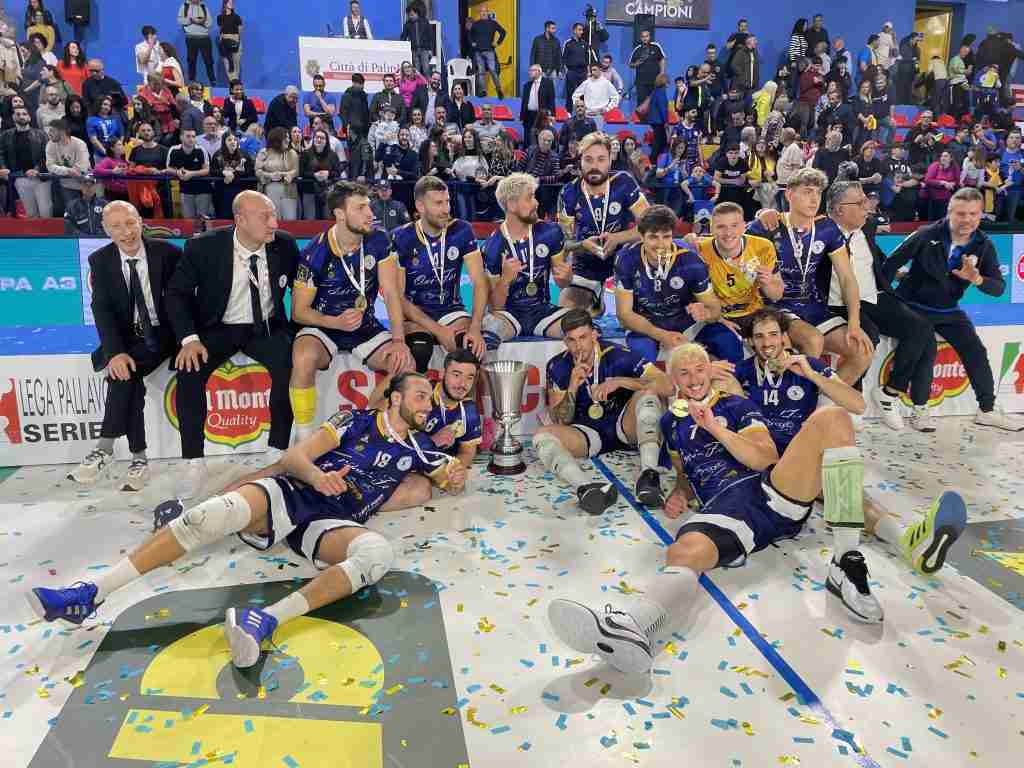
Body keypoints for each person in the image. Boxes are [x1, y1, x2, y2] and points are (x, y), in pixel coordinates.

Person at [28, 372, 466, 675]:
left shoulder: (421, 450)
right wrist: (319, 477)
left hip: (332, 521)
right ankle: (89, 594)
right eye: (420, 395)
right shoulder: (354, 421)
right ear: (395, 398)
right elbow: (294, 457)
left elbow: (449, 478)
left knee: (377, 554)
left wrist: (457, 473)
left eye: (429, 398)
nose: (429, 404)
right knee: (209, 517)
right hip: (297, 491)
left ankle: (264, 621)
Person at [547, 339, 923, 675]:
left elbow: (764, 458)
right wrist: (680, 489)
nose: (693, 378)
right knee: (682, 552)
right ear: (674, 380)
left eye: (699, 369)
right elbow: (685, 468)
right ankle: (632, 627)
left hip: (768, 490)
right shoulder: (671, 421)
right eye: (684, 373)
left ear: (710, 371)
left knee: (833, 418)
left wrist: (716, 428)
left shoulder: (736, 405)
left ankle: (846, 562)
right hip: (723, 508)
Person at [167, 191, 299, 497]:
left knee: (289, 364)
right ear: (240, 219)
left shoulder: (284, 245)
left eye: (274, 215)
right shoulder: (203, 247)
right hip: (217, 328)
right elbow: (176, 294)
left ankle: (277, 450)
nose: (274, 223)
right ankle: (193, 461)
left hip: (266, 327)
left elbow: (302, 288)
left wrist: (305, 331)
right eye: (265, 217)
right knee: (189, 370)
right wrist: (189, 339)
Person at [882, 187, 1022, 431]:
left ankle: (987, 410)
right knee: (926, 348)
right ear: (949, 213)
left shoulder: (983, 244)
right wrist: (889, 300)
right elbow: (888, 265)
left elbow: (998, 288)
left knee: (976, 351)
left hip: (948, 309)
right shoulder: (926, 234)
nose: (967, 220)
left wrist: (977, 279)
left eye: (973, 214)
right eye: (961, 214)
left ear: (981, 214)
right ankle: (919, 409)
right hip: (913, 306)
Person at [64, 201, 181, 489]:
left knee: (125, 374)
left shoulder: (167, 253)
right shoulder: (100, 260)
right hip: (128, 337)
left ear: (140, 222)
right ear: (106, 230)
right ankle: (138, 459)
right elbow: (101, 309)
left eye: (130, 223)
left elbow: (183, 300)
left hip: (161, 334)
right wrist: (115, 352)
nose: (126, 232)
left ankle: (105, 449)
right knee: (127, 379)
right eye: (116, 226)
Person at [822, 181, 938, 431]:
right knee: (866, 337)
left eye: (866, 200)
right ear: (840, 209)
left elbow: (872, 253)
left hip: (874, 295)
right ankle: (852, 399)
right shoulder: (820, 232)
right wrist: (767, 213)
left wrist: (894, 274)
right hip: (838, 303)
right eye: (860, 202)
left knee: (921, 328)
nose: (868, 206)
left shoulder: (868, 226)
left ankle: (890, 393)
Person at [747, 168, 874, 389]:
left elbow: (847, 278)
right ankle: (796, 401)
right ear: (789, 195)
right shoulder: (767, 226)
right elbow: (732, 239)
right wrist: (761, 212)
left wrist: (854, 322)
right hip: (775, 305)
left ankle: (821, 402)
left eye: (817, 192)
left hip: (812, 305)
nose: (814, 199)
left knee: (862, 351)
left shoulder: (826, 228)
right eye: (807, 192)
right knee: (813, 340)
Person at [535, 308, 670, 514]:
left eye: (583, 337)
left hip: (624, 426)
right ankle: (586, 489)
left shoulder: (619, 356)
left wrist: (621, 381)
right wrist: (572, 387)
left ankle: (649, 476)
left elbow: (667, 386)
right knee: (542, 436)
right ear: (565, 341)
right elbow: (561, 420)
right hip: (587, 433)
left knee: (648, 394)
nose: (578, 346)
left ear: (594, 334)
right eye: (572, 340)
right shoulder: (557, 365)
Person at [391, 175, 489, 375]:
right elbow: (398, 297)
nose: (446, 209)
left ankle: (459, 396)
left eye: (447, 202)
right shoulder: (401, 237)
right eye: (438, 203)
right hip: (415, 314)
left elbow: (480, 282)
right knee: (419, 350)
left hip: (451, 310)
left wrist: (475, 326)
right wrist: (439, 331)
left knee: (470, 349)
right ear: (420, 206)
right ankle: (420, 395)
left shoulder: (462, 230)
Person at [615, 204, 735, 367]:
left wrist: (706, 313)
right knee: (639, 361)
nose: (661, 244)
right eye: (653, 237)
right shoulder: (626, 259)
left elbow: (714, 307)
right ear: (641, 236)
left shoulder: (691, 261)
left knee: (730, 344)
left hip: (685, 320)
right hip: (646, 322)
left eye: (666, 237)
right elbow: (624, 315)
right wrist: (662, 335)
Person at [558, 132, 648, 314]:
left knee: (637, 314)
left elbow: (651, 226)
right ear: (580, 161)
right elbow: (563, 242)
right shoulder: (569, 192)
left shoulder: (624, 182)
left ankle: (607, 295)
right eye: (588, 160)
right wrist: (582, 245)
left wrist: (617, 238)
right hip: (585, 266)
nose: (594, 166)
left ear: (610, 160)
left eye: (601, 159)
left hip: (623, 261)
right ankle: (594, 295)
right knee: (567, 314)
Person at [481, 172, 574, 345]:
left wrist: (567, 277)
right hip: (508, 315)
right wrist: (505, 281)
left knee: (583, 326)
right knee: (488, 334)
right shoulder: (492, 247)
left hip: (543, 311)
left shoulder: (551, 232)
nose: (536, 203)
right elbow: (495, 307)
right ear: (511, 205)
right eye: (530, 198)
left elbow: (562, 283)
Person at [691, 201, 782, 338]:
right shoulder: (699, 250)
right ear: (711, 229)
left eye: (734, 225)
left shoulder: (763, 247)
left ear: (744, 226)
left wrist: (767, 283)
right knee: (728, 345)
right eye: (721, 226)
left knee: (778, 341)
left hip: (755, 313)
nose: (728, 233)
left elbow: (776, 295)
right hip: (718, 317)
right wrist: (717, 318)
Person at [0, 105, 50, 217]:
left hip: (40, 177)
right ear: (13, 117)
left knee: (46, 212)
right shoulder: (5, 135)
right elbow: (1, 153)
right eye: (18, 114)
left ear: (29, 117)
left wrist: (37, 169)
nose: (21, 116)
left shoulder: (41, 134)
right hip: (20, 178)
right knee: (31, 214)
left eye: (24, 114)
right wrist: (3, 168)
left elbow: (48, 155)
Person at [167, 127, 213, 218]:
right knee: (188, 219)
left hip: (203, 190)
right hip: (185, 190)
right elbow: (168, 168)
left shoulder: (201, 150)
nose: (191, 139)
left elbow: (207, 170)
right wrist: (177, 172)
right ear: (181, 137)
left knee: (203, 219)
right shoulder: (174, 150)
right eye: (188, 136)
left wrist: (190, 174)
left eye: (193, 136)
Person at [45, 118, 91, 207]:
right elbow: (50, 166)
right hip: (67, 186)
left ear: (62, 132)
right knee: (72, 212)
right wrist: (68, 171)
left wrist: (65, 170)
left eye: (52, 130)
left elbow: (83, 167)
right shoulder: (50, 145)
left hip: (86, 184)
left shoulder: (79, 143)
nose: (49, 133)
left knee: (89, 211)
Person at [255, 127, 298, 221]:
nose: (288, 140)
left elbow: (296, 170)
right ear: (277, 138)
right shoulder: (264, 152)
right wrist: (270, 175)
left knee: (290, 220)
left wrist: (285, 174)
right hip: (269, 190)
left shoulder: (291, 153)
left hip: (289, 191)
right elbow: (257, 171)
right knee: (272, 219)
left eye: (288, 137)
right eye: (286, 137)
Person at [211, 129, 254, 218]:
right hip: (222, 193)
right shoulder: (217, 154)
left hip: (241, 191)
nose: (233, 142)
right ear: (224, 142)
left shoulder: (244, 154)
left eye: (235, 139)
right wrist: (223, 172)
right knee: (224, 217)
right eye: (229, 140)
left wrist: (233, 174)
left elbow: (250, 171)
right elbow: (212, 171)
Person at [467, 5, 506, 99]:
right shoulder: (476, 24)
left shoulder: (493, 23)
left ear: (488, 12)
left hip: (489, 51)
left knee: (493, 71)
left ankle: (499, 90)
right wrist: (472, 42)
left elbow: (503, 32)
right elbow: (469, 34)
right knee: (481, 72)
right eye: (481, 11)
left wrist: (497, 43)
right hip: (478, 52)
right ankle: (483, 91)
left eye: (485, 11)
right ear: (479, 13)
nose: (483, 13)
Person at [178, 0, 216, 86]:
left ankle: (212, 81)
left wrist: (202, 21)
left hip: (204, 37)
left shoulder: (204, 7)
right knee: (191, 60)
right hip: (191, 37)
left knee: (209, 61)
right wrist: (191, 20)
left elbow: (210, 23)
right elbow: (180, 20)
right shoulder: (185, 6)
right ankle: (191, 81)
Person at [628, 28, 665, 107]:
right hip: (641, 82)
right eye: (643, 36)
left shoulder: (656, 46)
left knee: (655, 102)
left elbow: (662, 59)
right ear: (641, 38)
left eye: (646, 36)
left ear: (650, 37)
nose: (645, 38)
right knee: (641, 103)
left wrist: (662, 73)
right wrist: (637, 63)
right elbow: (630, 64)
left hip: (655, 81)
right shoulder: (637, 49)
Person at [520, 64, 555, 144]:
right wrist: (522, 117)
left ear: (538, 71)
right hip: (528, 116)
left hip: (542, 115)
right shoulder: (527, 85)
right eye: (529, 71)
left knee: (541, 138)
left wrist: (552, 115)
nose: (529, 72)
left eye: (531, 70)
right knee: (528, 138)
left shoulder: (548, 83)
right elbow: (524, 102)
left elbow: (551, 100)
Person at [401, 4, 434, 77]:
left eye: (412, 15)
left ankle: (428, 83)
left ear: (417, 13)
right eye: (409, 15)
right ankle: (418, 83)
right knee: (416, 70)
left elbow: (430, 36)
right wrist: (402, 46)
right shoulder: (408, 24)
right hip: (414, 50)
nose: (410, 16)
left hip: (424, 49)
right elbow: (403, 36)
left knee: (426, 69)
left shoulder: (424, 22)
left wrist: (430, 50)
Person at [562, 23, 589, 111]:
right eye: (579, 30)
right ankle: (569, 113)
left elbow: (587, 59)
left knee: (583, 95)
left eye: (582, 30)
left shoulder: (585, 44)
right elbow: (563, 59)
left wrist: (588, 72)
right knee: (570, 94)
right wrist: (567, 72)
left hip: (583, 73)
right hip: (572, 72)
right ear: (574, 31)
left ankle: (582, 114)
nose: (581, 32)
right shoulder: (568, 43)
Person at [217, 0, 243, 81]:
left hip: (235, 40)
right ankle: (232, 82)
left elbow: (240, 30)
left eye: (232, 3)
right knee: (227, 63)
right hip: (224, 40)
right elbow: (221, 30)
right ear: (225, 4)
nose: (232, 4)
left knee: (236, 63)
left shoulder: (237, 17)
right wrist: (221, 41)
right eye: (230, 2)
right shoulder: (220, 17)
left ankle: (236, 82)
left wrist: (238, 41)